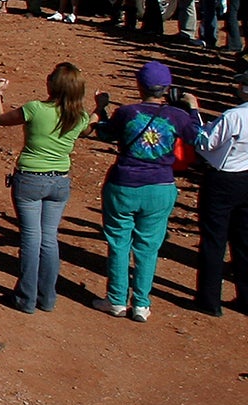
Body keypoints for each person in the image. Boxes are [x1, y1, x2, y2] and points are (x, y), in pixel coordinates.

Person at [90, 62, 201, 321]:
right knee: (148, 246)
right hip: (160, 186)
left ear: (139, 85)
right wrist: (193, 108)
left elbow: (104, 133)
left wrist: (102, 107)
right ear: (167, 89)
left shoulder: (127, 112)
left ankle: (116, 299)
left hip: (124, 184)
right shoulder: (177, 116)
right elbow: (199, 137)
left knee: (119, 243)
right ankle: (141, 303)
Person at [0, 62, 92, 313]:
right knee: (49, 239)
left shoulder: (35, 109)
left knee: (31, 238)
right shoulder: (80, 116)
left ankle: (26, 297)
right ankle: (47, 298)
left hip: (30, 179)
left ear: (51, 85)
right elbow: (89, 128)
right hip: (60, 181)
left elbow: (0, 118)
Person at [194, 71, 248, 316]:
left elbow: (205, 143)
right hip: (246, 178)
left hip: (223, 178)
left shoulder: (234, 116)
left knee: (214, 240)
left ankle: (209, 300)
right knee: (244, 242)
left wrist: (194, 114)